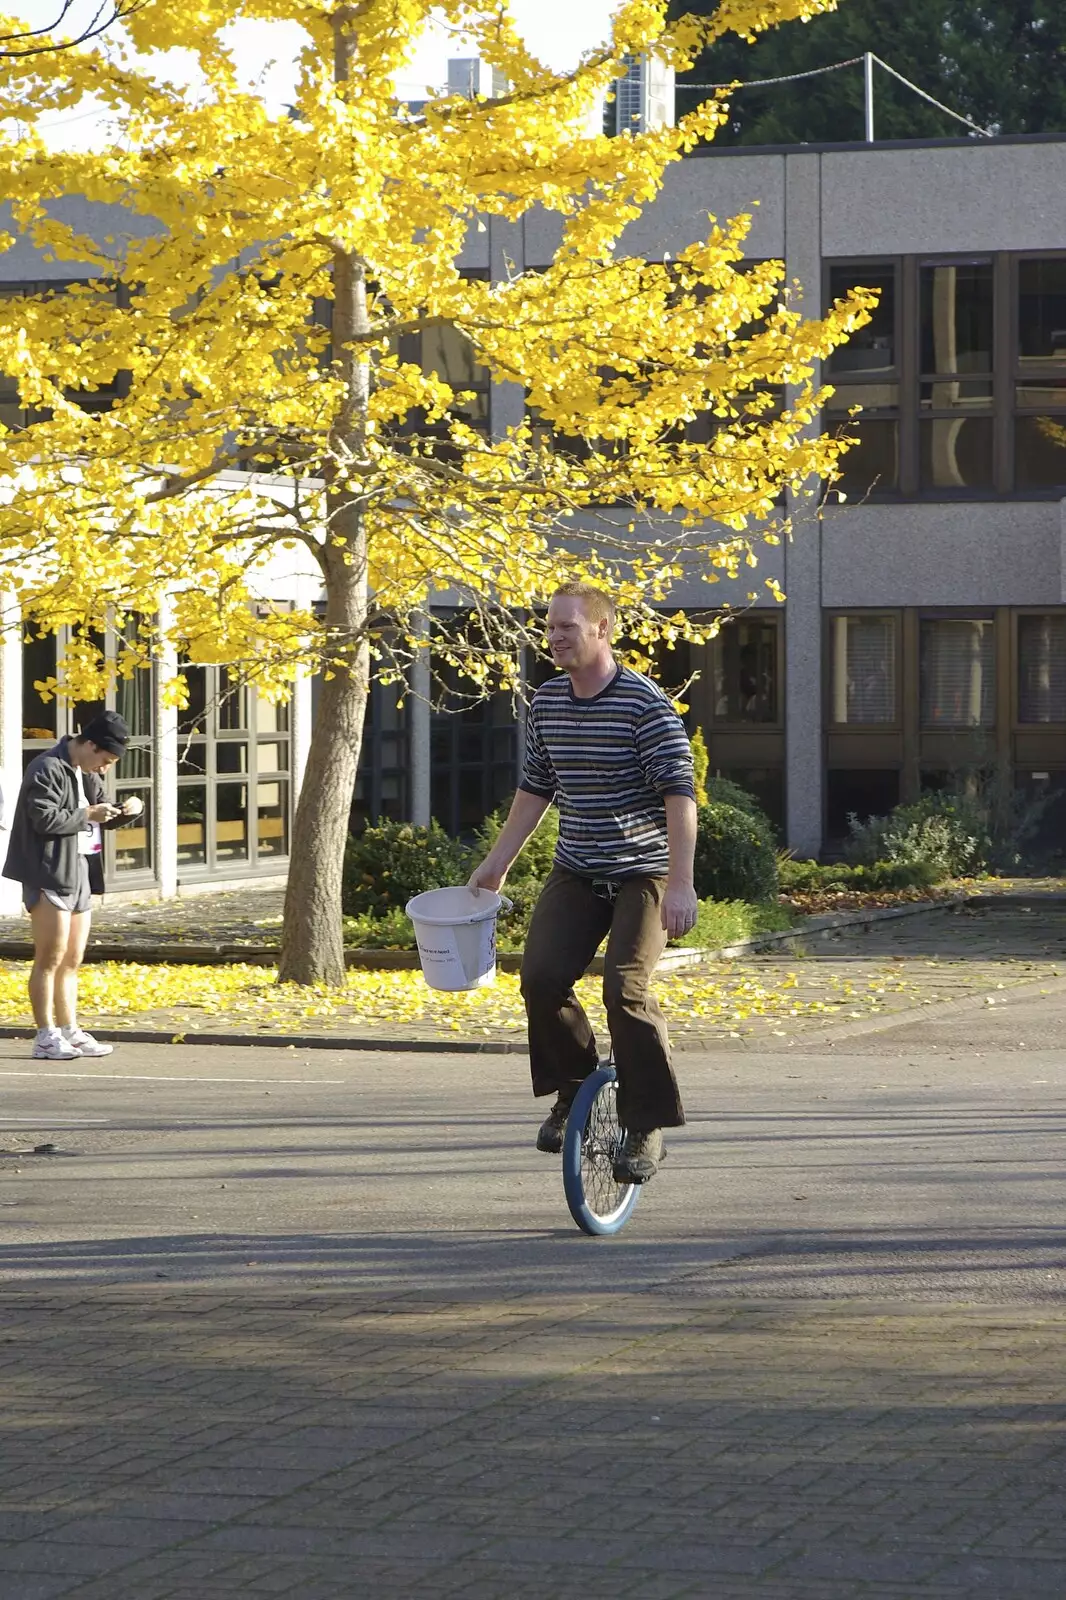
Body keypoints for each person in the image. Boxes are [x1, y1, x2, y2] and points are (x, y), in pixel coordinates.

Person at [467, 581, 699, 1184]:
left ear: (602, 630)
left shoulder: (644, 706)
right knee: (540, 977)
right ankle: (574, 1089)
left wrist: (681, 883)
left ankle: (644, 1125)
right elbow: (534, 790)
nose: (554, 637)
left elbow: (680, 798)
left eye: (567, 626)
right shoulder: (547, 703)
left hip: (643, 873)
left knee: (625, 991)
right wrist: (497, 865)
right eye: (549, 627)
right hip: (578, 866)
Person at [3, 710, 143, 1060]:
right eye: (106, 760)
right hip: (48, 870)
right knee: (49, 957)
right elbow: (43, 818)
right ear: (89, 744)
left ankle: (69, 1030)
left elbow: (101, 813)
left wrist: (127, 810)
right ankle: (44, 1036)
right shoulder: (46, 767)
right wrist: (88, 815)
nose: (106, 768)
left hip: (80, 869)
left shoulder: (86, 770)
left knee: (73, 958)